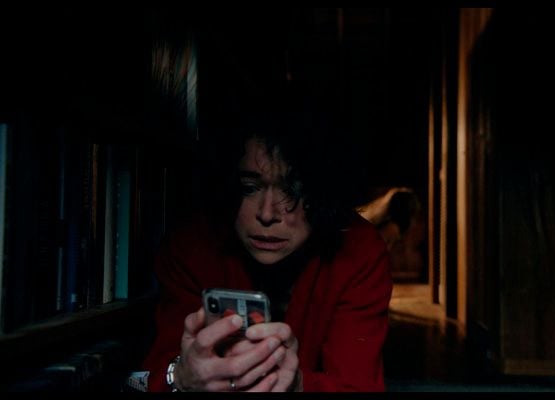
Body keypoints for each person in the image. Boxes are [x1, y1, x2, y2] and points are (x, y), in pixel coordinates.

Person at [141, 102, 393, 392]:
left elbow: (358, 384)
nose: (266, 213)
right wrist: (181, 378)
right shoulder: (191, 244)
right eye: (249, 188)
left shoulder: (359, 249)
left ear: (323, 194)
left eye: (292, 190)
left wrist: (297, 384)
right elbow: (148, 375)